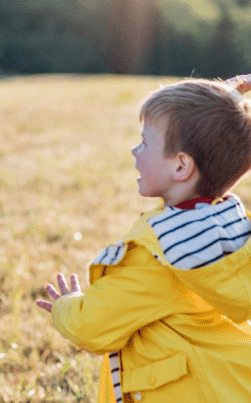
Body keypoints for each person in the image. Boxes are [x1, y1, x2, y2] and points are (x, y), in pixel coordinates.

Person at [37, 79, 251, 403]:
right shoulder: (227, 225)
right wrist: (227, 104)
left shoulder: (156, 257)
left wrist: (65, 305)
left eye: (145, 142)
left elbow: (91, 325)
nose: (134, 151)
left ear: (181, 165)